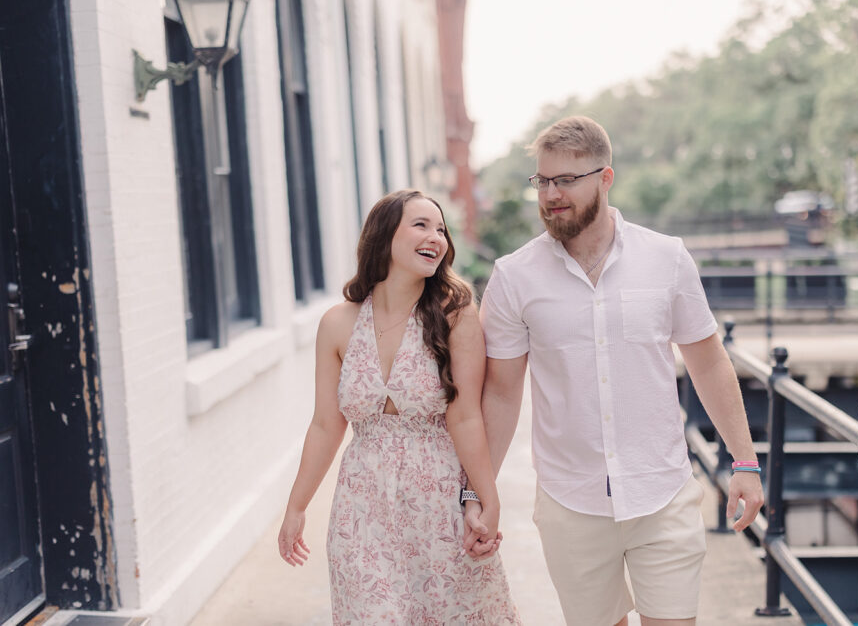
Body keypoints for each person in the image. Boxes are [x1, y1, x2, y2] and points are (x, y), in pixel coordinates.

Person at [463, 116, 764, 626]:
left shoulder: (666, 258)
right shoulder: (514, 277)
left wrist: (745, 461)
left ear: (605, 177)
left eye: (566, 180)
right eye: (543, 181)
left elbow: (708, 360)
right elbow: (500, 395)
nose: (551, 194)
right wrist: (477, 491)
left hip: (661, 491)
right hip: (569, 500)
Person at [278, 189, 520, 625]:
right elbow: (324, 426)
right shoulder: (337, 324)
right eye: (422, 225)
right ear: (385, 236)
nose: (437, 237)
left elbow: (466, 417)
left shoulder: (455, 315)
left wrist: (486, 498)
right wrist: (297, 506)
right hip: (361, 510)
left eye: (442, 229)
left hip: (437, 505)